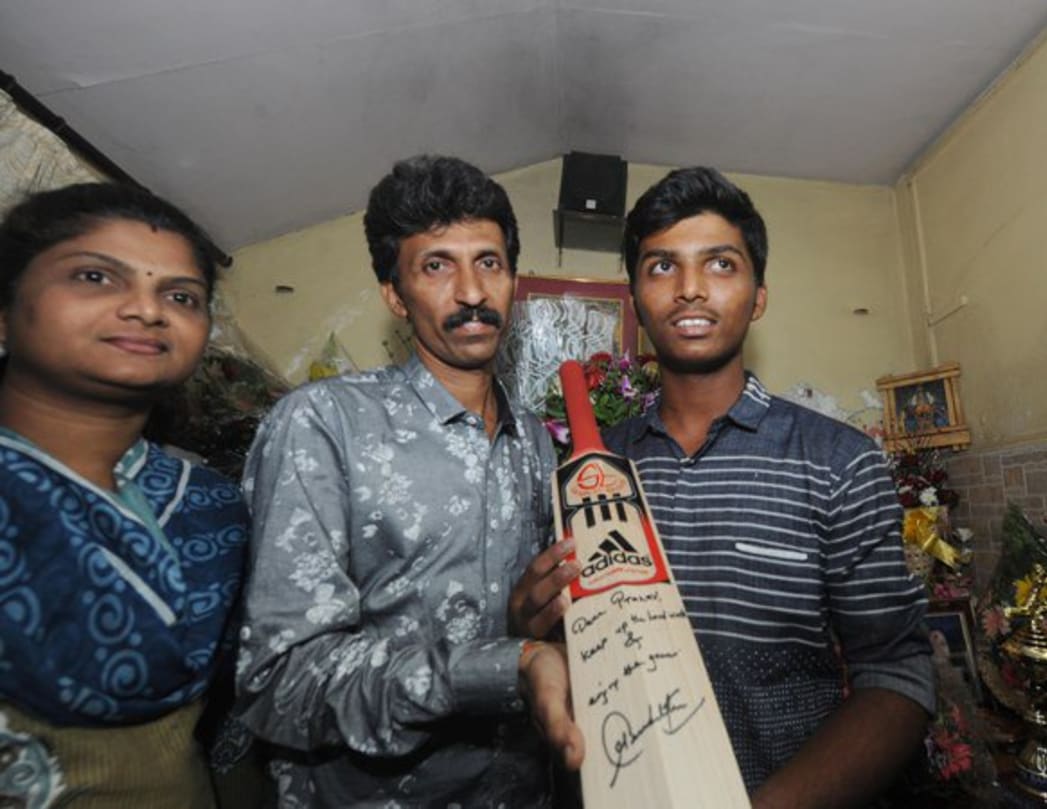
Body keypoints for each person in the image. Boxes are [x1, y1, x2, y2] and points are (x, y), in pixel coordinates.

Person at [511, 166, 935, 808]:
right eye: (661, 268)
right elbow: (564, 642)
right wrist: (529, 619)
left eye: (720, 265)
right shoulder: (590, 471)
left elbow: (897, 676)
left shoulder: (838, 461)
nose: (688, 290)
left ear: (758, 295)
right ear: (635, 296)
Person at [235, 155, 581, 808]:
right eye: (436, 266)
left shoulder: (534, 440)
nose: (472, 292)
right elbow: (280, 684)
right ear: (395, 294)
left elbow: (514, 614)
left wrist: (532, 622)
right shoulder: (322, 424)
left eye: (489, 262)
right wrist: (501, 668)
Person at [0, 182, 251, 807]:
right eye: (94, 276)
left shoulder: (209, 502)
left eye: (180, 295)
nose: (146, 309)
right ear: (3, 315)